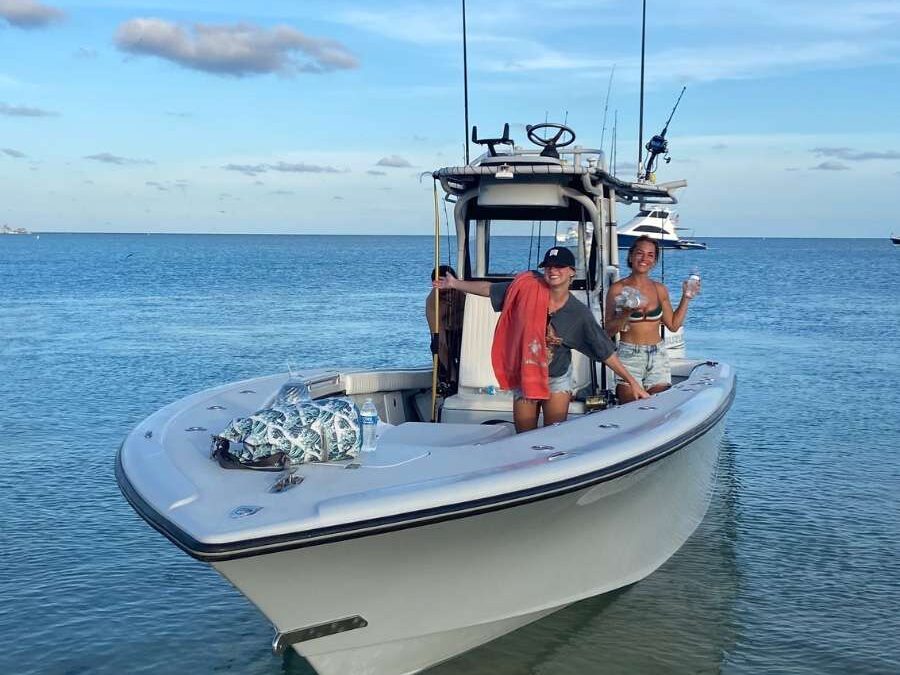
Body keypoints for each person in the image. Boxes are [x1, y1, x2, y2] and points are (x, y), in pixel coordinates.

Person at [434, 247, 649, 433]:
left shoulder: (578, 313)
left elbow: (606, 352)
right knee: (524, 437)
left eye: (559, 267)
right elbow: (489, 289)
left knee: (552, 437)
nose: (553, 271)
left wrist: (633, 383)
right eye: (548, 266)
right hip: (526, 374)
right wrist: (454, 283)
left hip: (557, 379)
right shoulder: (527, 288)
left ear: (571, 272)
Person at [604, 235, 698, 403]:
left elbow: (674, 325)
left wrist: (686, 297)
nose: (644, 258)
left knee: (657, 407)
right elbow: (607, 331)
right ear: (631, 256)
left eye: (650, 255)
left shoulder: (659, 289)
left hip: (658, 356)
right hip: (629, 356)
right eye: (640, 253)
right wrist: (625, 313)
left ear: (654, 261)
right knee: (631, 407)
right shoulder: (617, 289)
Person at [426, 265, 465, 394]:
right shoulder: (433, 303)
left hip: (464, 333)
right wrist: (453, 376)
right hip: (446, 336)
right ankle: (449, 382)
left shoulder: (464, 293)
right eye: (442, 289)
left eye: (448, 287)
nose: (447, 293)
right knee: (437, 346)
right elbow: (440, 340)